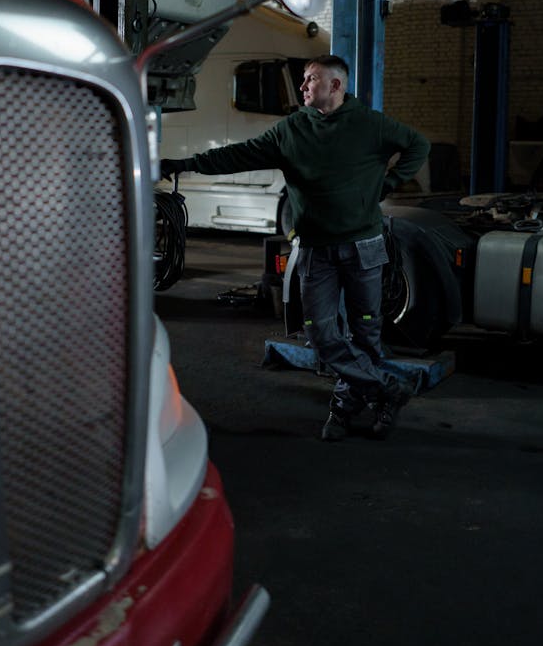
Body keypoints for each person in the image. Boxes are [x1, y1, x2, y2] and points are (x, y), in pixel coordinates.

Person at [160, 54, 430, 442]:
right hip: (316, 249)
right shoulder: (291, 130)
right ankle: (386, 389)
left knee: (365, 334)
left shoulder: (370, 125)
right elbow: (237, 154)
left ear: (336, 86)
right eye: (304, 79)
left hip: (362, 248)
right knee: (321, 335)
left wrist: (389, 183)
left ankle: (346, 406)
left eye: (310, 79)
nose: (302, 86)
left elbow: (418, 145)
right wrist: (184, 163)